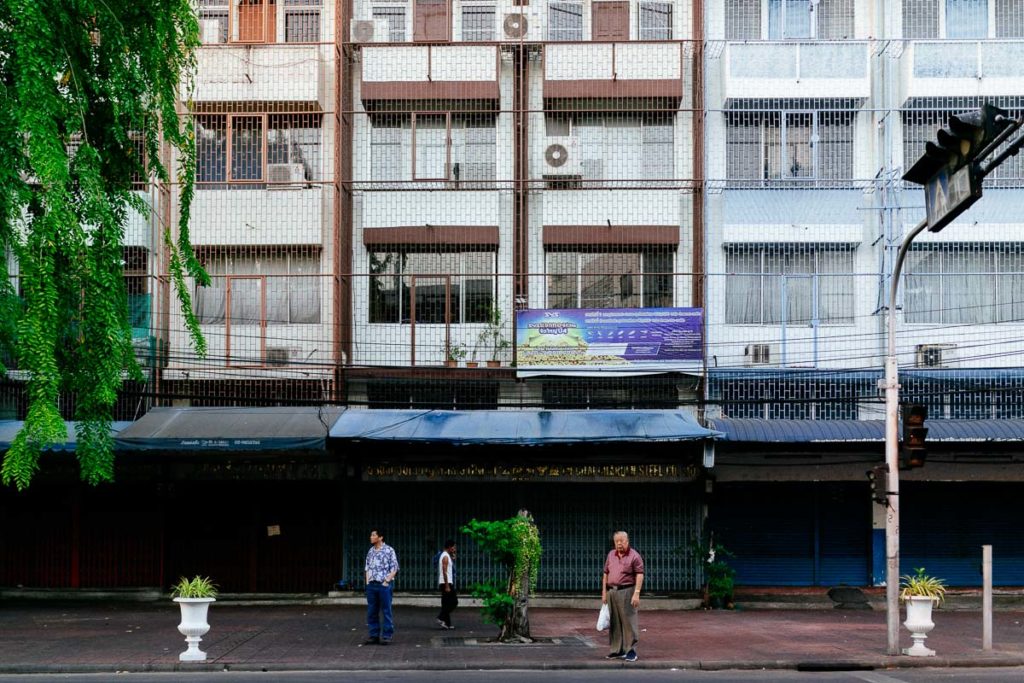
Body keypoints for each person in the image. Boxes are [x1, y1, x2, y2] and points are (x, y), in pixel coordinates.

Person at [601, 530, 644, 662]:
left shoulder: (634, 556)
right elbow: (605, 574)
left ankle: (630, 651)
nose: (619, 544)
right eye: (616, 541)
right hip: (612, 592)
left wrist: (636, 593)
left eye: (622, 541)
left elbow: (640, 574)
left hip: (627, 591)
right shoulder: (611, 555)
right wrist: (604, 592)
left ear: (627, 541)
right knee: (614, 622)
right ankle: (616, 650)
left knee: (629, 622)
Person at [364, 528, 399, 645]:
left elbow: (394, 568)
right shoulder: (371, 551)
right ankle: (374, 635)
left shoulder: (389, 550)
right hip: (372, 585)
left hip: (383, 585)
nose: (371, 537)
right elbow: (367, 567)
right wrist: (367, 582)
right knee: (372, 611)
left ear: (380, 537)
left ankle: (387, 635)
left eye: (373, 535)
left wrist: (386, 581)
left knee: (386, 610)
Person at [435, 539, 458, 629]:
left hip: (445, 582)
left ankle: (447, 623)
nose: (454, 549)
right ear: (449, 547)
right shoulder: (445, 556)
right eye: (453, 547)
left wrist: (452, 557)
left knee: (446, 603)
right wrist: (447, 585)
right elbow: (444, 571)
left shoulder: (446, 555)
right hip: (446, 582)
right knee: (454, 602)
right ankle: (440, 617)